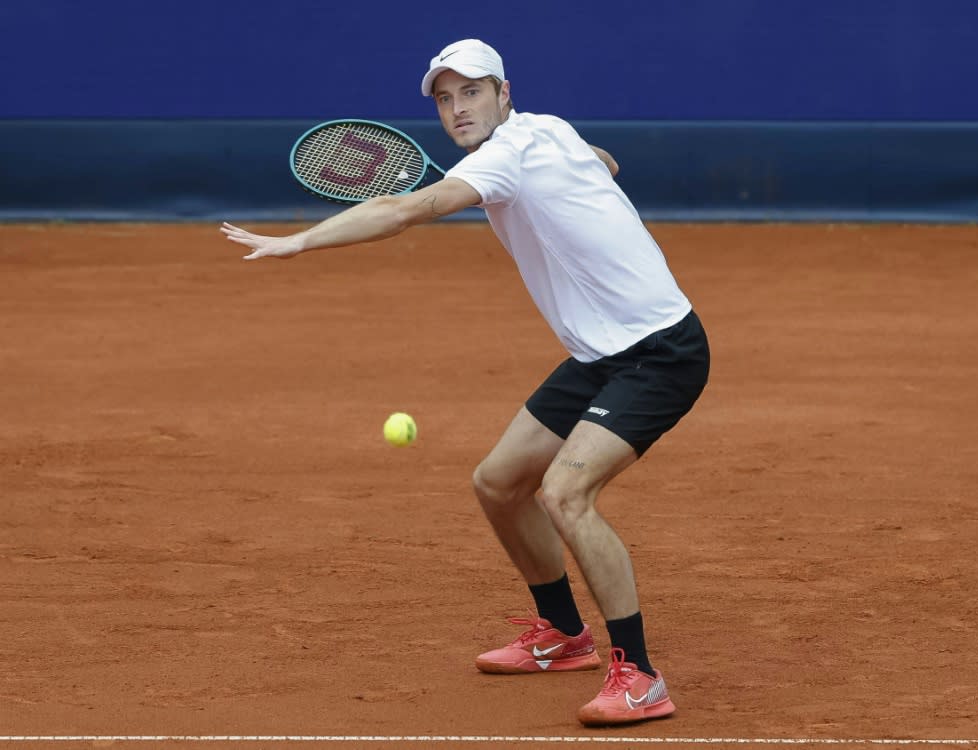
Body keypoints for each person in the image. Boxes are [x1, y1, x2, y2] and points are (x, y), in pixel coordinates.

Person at [221, 38, 709, 727]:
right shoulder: (548, 131)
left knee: (564, 494)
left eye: (471, 92)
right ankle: (563, 637)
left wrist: (301, 240)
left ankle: (639, 675)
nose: (457, 108)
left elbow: (406, 210)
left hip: (659, 352)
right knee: (498, 482)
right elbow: (607, 161)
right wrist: (581, 178)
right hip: (599, 354)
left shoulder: (505, 156)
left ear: (503, 93)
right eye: (445, 99)